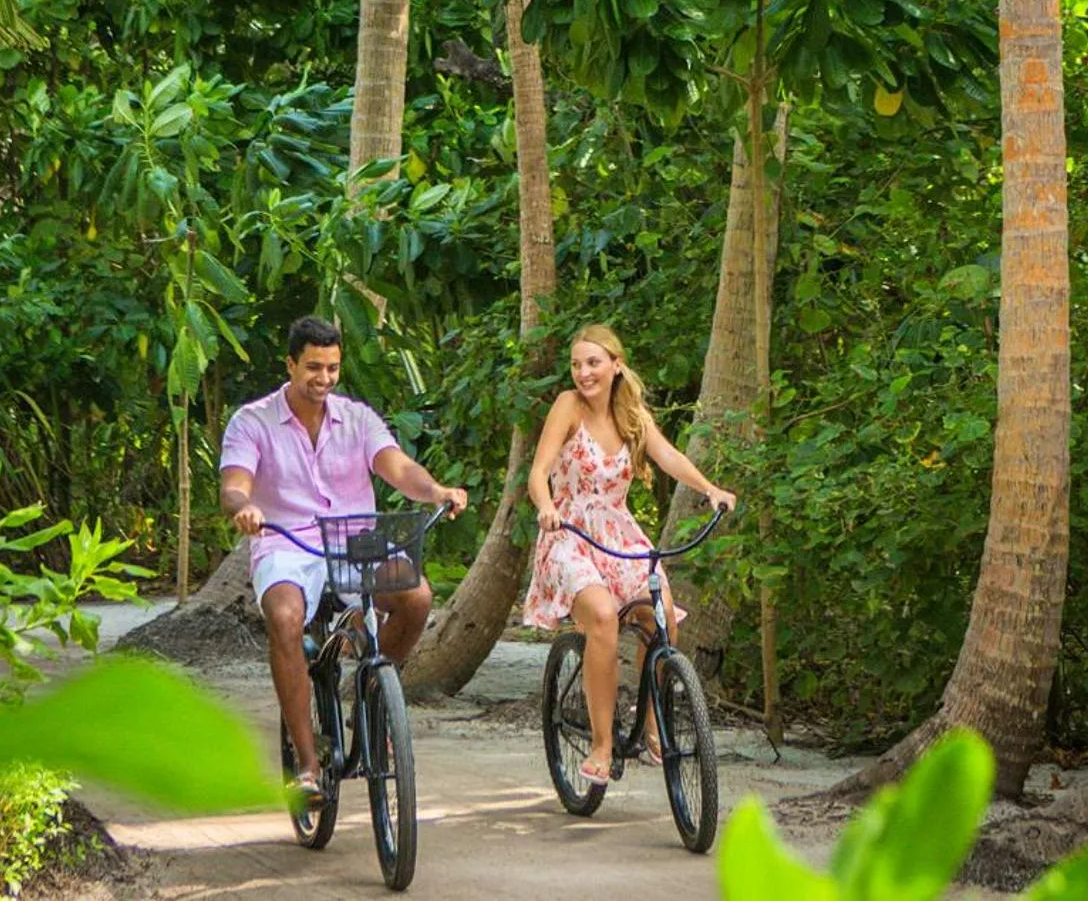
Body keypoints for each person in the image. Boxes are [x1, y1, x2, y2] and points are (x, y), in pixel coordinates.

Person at [219, 316, 469, 800]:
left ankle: (374, 697)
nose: (324, 378)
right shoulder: (252, 421)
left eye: (333, 368)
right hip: (286, 543)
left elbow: (396, 467)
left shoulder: (356, 418)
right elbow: (234, 483)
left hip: (355, 543)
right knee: (287, 618)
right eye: (313, 367)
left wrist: (436, 491)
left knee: (416, 595)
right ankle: (308, 765)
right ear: (290, 364)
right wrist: (244, 506)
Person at [522, 323, 735, 787]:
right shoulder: (568, 406)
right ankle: (602, 745)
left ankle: (652, 721)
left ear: (616, 365)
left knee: (661, 617)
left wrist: (710, 489)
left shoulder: (630, 413)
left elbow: (668, 456)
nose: (584, 372)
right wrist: (545, 507)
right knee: (601, 616)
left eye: (593, 362)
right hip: (569, 532)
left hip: (618, 533)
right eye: (577, 364)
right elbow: (538, 473)